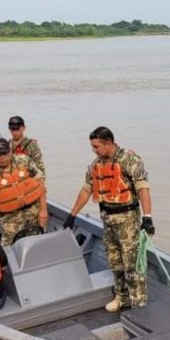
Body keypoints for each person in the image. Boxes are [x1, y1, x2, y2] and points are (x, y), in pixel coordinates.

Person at [63, 126, 154, 312]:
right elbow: (85, 191)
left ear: (109, 143)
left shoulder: (130, 160)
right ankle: (121, 297)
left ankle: (139, 303)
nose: (93, 150)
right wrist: (72, 215)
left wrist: (147, 217)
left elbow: (143, 188)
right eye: (93, 147)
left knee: (131, 264)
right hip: (108, 220)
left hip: (127, 220)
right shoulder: (95, 165)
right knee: (115, 262)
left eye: (96, 146)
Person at [0, 137, 48, 246]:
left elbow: (40, 182)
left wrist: (43, 210)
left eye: (5, 153)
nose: (2, 157)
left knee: (38, 245)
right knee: (8, 250)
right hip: (10, 218)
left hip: (33, 212)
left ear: (10, 152)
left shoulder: (24, 160)